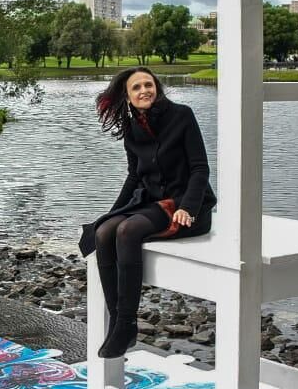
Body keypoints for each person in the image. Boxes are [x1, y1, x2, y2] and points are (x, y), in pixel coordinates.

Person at [78, 68, 216, 358]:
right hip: (151, 202)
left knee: (127, 231)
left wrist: (187, 208)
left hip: (185, 207)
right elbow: (133, 176)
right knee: (104, 231)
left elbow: (200, 168)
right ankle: (118, 322)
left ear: (157, 87)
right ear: (128, 96)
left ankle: (128, 322)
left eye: (148, 84)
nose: (144, 90)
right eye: (137, 87)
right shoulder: (132, 128)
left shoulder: (182, 115)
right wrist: (111, 213)